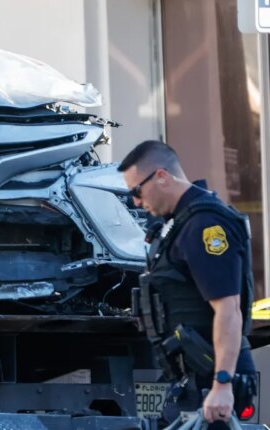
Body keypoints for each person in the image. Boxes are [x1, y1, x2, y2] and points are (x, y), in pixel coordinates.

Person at [118, 140, 257, 425]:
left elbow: (228, 310)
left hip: (212, 381)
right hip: (193, 378)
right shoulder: (179, 225)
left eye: (136, 191)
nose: (136, 202)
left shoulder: (204, 225)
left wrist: (222, 384)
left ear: (161, 176)